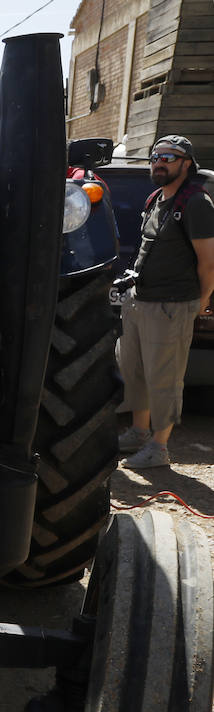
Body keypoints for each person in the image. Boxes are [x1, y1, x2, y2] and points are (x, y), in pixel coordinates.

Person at [116, 135, 214, 469]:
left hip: (172, 307)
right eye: (155, 156)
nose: (159, 161)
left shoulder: (197, 202)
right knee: (136, 372)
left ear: (187, 164)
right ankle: (139, 432)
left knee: (165, 379)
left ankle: (159, 448)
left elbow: (208, 263)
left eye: (169, 157)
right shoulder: (155, 199)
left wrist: (200, 302)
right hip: (140, 301)